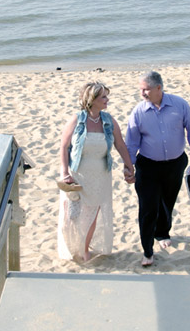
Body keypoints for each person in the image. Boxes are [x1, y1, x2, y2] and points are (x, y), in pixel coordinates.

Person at [126, 71, 190, 267]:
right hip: (148, 166)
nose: (142, 93)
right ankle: (147, 250)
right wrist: (129, 168)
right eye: (140, 89)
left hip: (175, 164)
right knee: (148, 208)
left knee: (167, 201)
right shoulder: (138, 112)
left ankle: (162, 232)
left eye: (146, 89)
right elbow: (131, 143)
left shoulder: (180, 105)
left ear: (159, 88)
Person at [58, 82, 135, 262]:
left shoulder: (109, 121)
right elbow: (64, 146)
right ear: (92, 100)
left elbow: (120, 145)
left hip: (100, 175)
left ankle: (84, 249)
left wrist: (129, 165)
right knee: (74, 214)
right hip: (78, 174)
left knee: (92, 213)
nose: (107, 100)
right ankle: (73, 244)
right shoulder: (77, 120)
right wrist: (64, 173)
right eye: (103, 97)